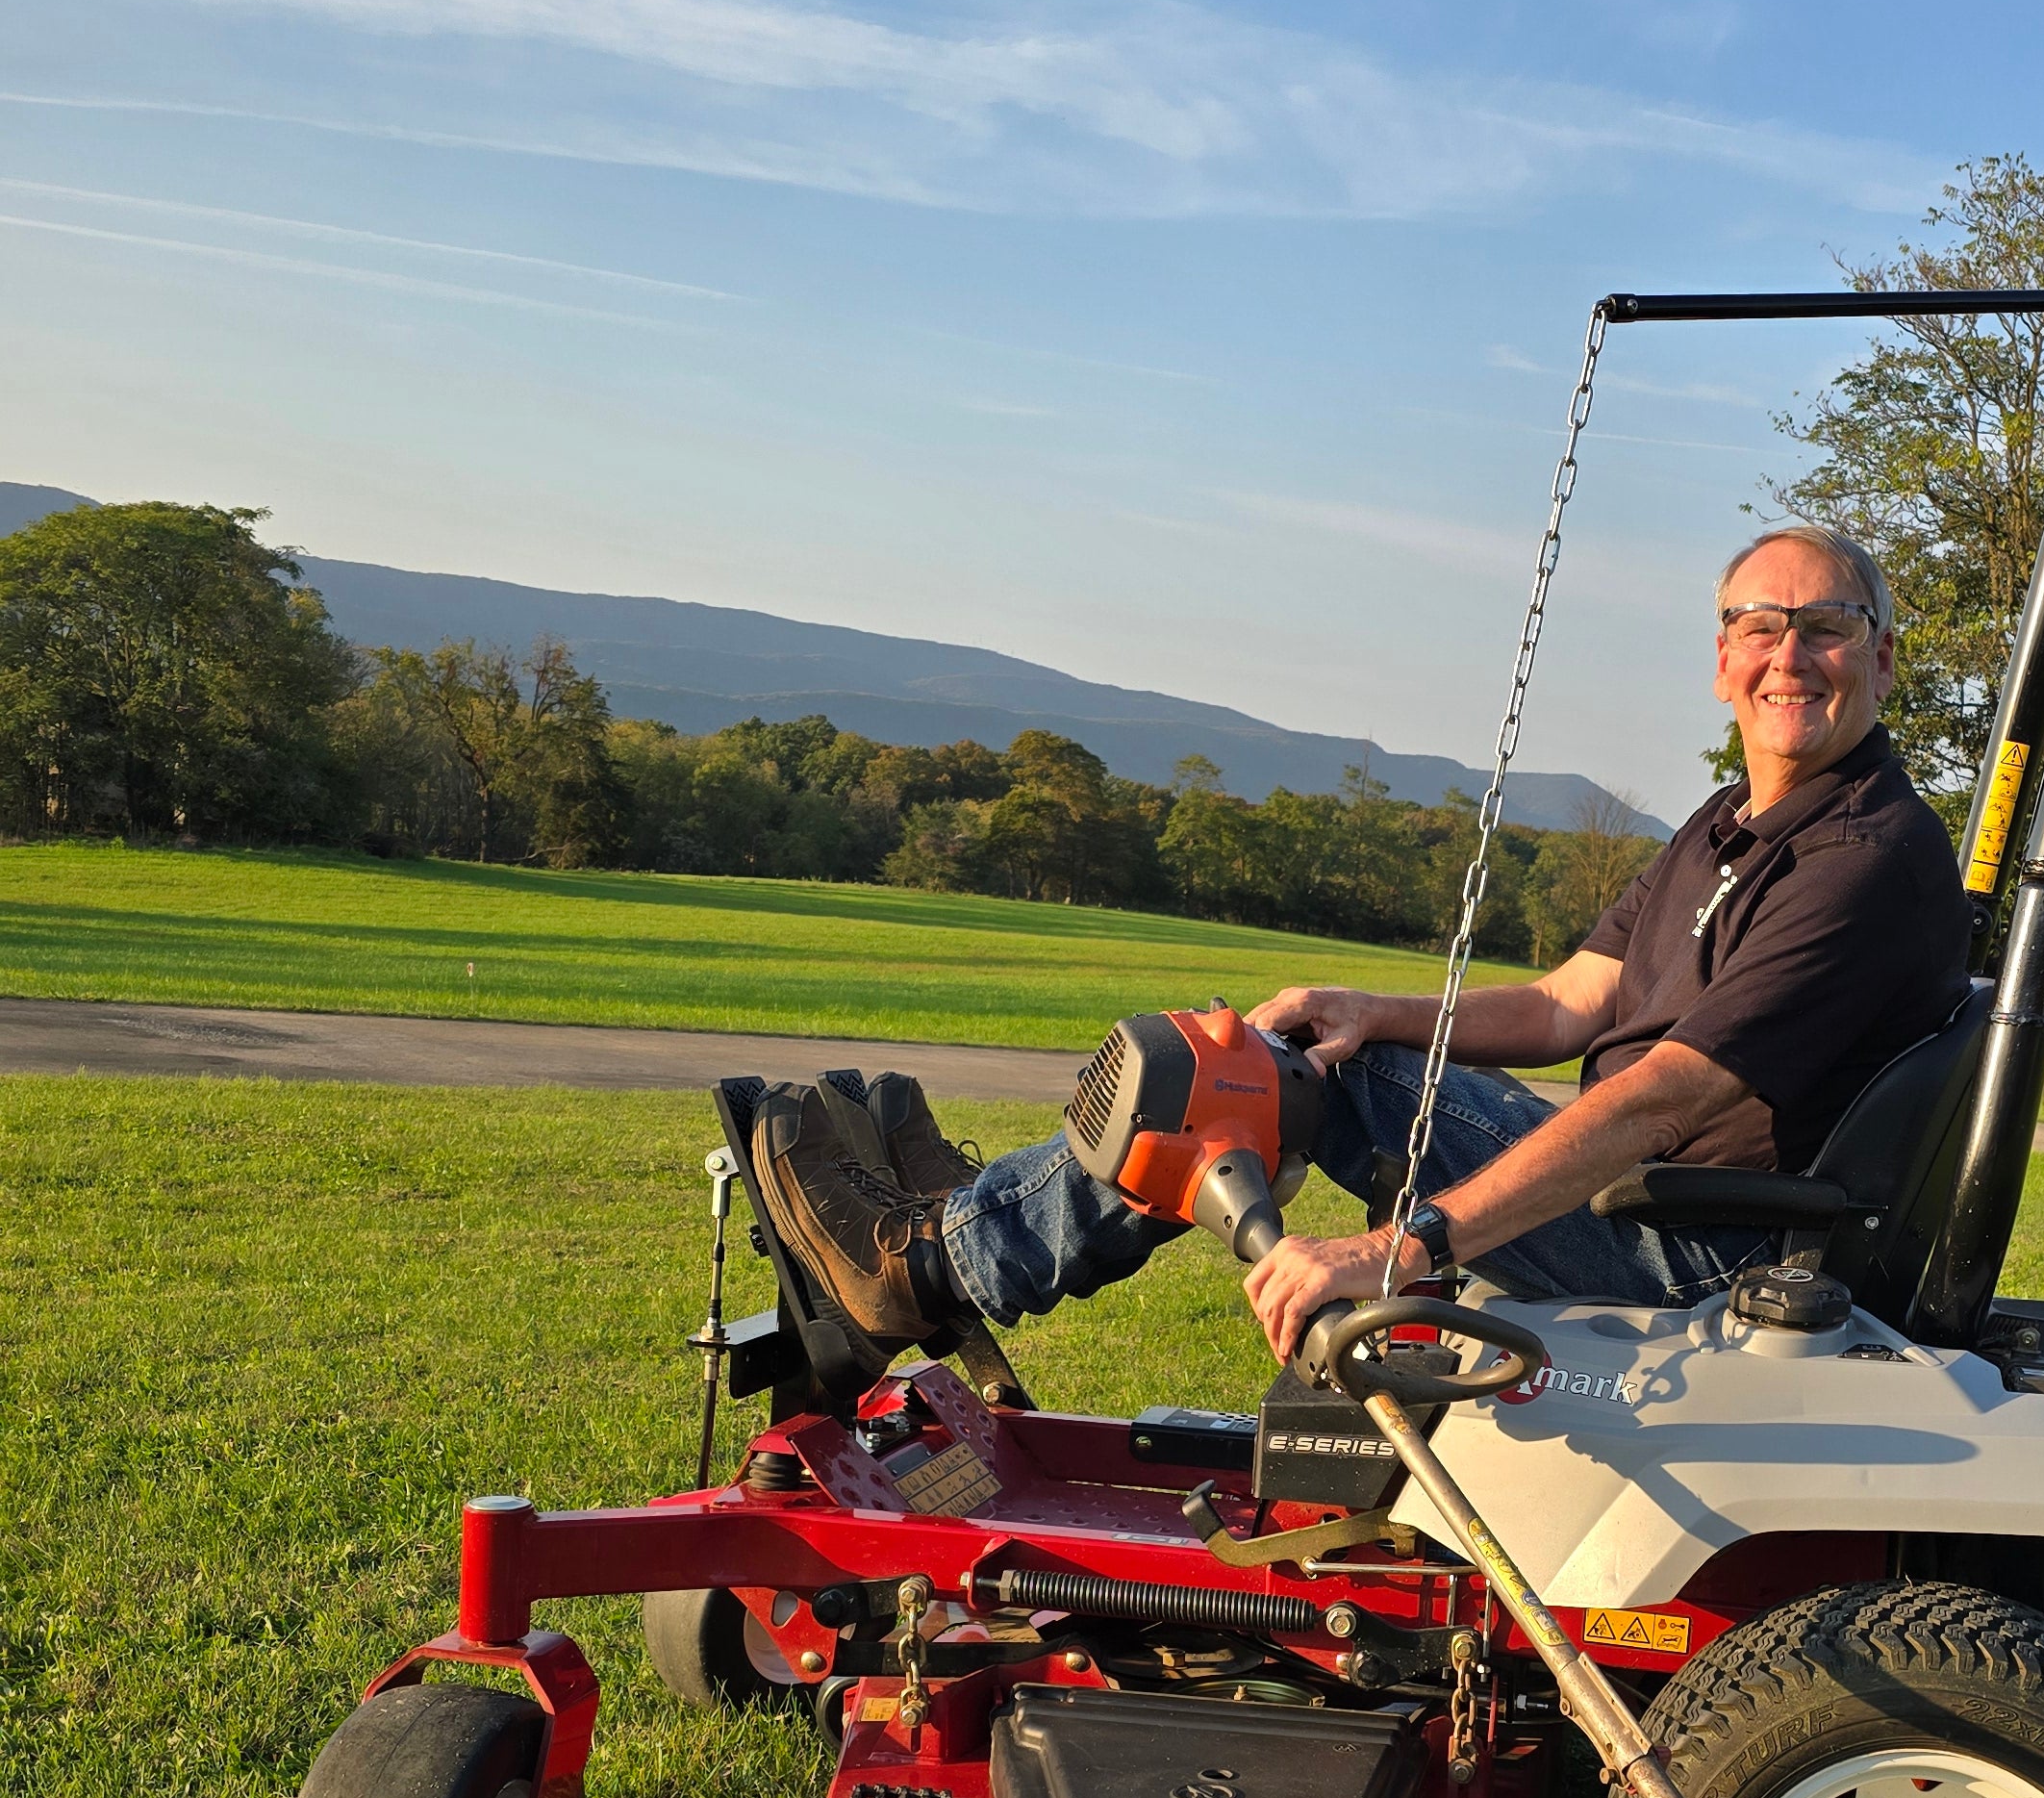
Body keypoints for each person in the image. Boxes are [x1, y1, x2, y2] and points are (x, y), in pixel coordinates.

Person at [756, 521, 1971, 1371]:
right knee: (1298, 1047)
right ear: (1722, 658)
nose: (1789, 655)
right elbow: (1566, 1008)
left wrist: (1406, 1242)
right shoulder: (1730, 823)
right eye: (1761, 625)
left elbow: (1659, 1100)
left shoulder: (1863, 857)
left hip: (1703, 1246)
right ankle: (959, 1228)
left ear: (1881, 657)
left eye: (1828, 626)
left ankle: (931, 1265)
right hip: (1654, 1203)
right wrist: (1370, 1008)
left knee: (1236, 1078)